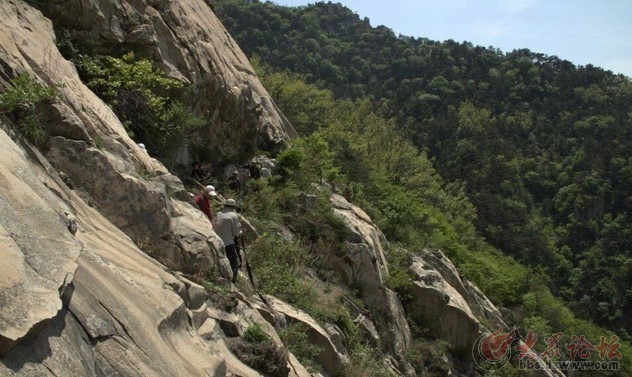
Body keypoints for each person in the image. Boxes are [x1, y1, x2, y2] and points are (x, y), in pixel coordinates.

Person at [214, 198, 243, 283]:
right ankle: (233, 281)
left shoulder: (219, 213)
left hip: (217, 240)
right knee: (234, 262)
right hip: (227, 243)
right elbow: (237, 233)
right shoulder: (233, 216)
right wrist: (241, 232)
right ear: (233, 207)